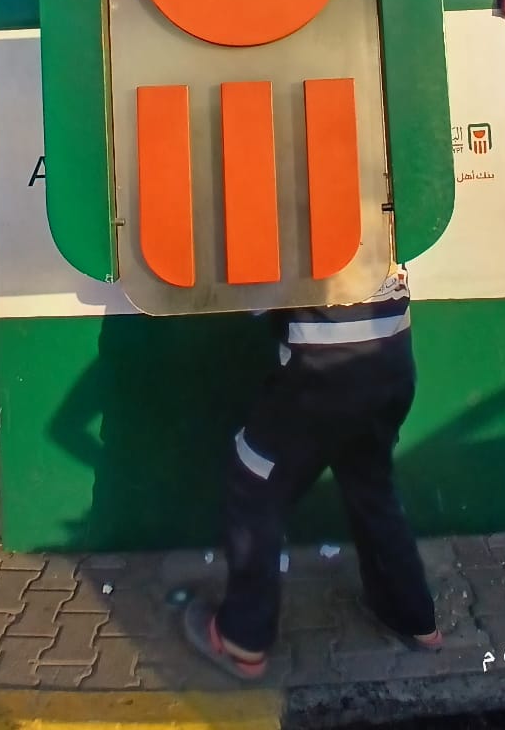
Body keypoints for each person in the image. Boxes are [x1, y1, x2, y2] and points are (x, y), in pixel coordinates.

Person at [183, 266, 441, 680]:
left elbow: (256, 297)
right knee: (370, 483)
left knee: (252, 483)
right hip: (391, 359)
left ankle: (242, 639)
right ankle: (413, 618)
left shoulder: (296, 220)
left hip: (322, 372)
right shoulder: (382, 219)